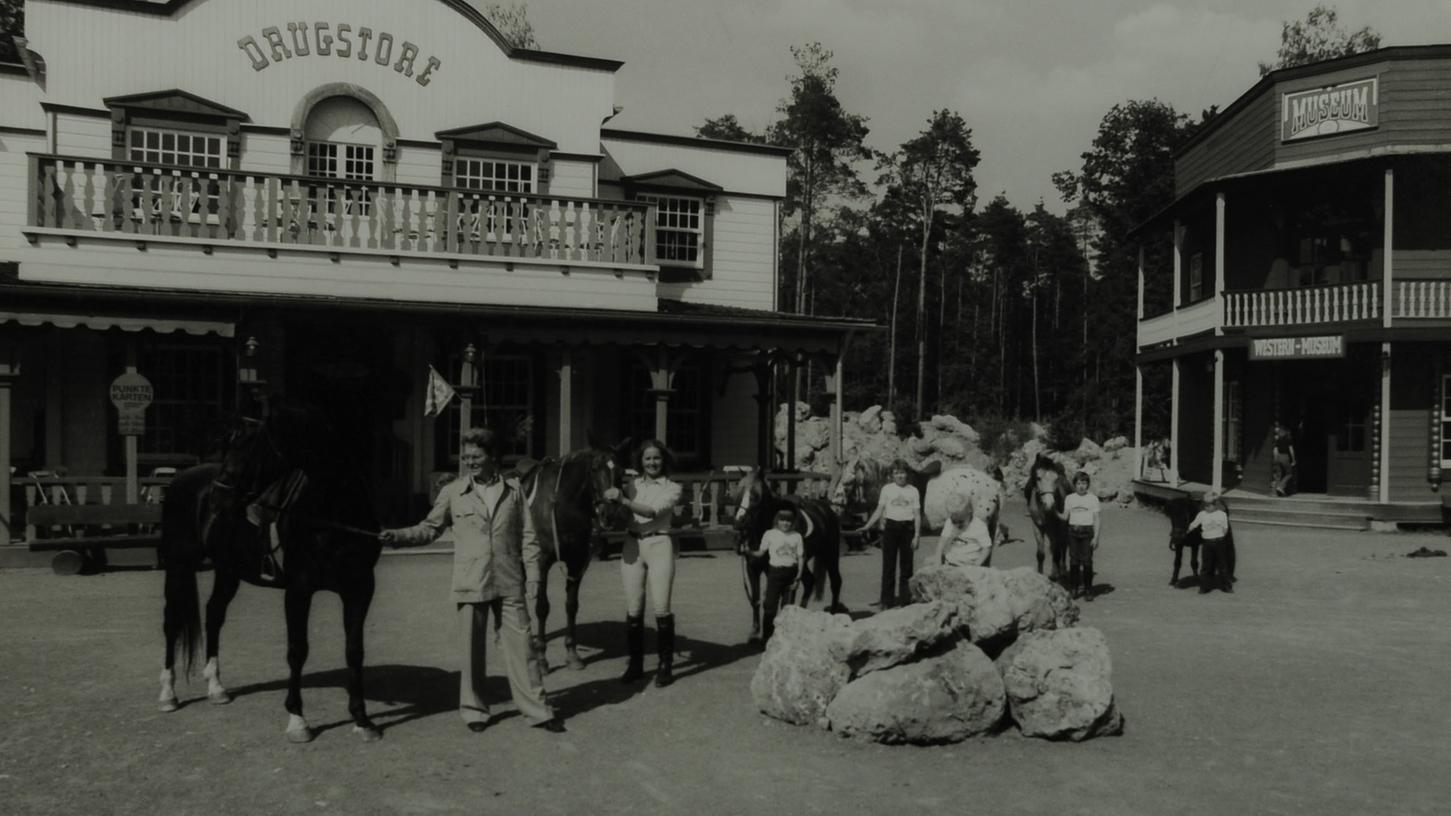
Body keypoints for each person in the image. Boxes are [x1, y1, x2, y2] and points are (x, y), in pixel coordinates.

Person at [379, 427, 564, 734]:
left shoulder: (514, 490)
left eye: (476, 456)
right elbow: (430, 528)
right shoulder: (453, 492)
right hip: (471, 581)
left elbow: (529, 537)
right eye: (465, 457)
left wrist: (533, 578)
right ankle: (475, 710)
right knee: (471, 650)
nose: (469, 462)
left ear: (493, 456)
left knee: (523, 647)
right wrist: (397, 537)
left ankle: (537, 710)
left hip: (509, 579)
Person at [603, 439, 682, 688]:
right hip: (632, 544)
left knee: (661, 607)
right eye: (647, 458)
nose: (652, 462)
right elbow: (623, 513)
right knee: (634, 607)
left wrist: (623, 500)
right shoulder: (632, 484)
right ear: (641, 462)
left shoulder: (673, 488)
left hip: (659, 544)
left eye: (656, 458)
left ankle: (665, 665)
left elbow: (650, 512)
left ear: (664, 460)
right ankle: (635, 664)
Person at [861, 459, 921, 609]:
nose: (900, 476)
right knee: (888, 567)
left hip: (908, 529)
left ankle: (905, 601)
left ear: (907, 474)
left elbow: (917, 515)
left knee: (906, 568)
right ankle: (887, 601)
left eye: (902, 472)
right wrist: (867, 526)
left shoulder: (913, 491)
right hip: (891, 529)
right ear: (892, 475)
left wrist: (917, 535)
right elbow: (879, 511)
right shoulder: (887, 489)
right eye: (896, 473)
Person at [754, 508, 804, 642]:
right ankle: (766, 638)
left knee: (787, 609)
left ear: (792, 522)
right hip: (775, 573)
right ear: (777, 521)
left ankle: (783, 640)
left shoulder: (797, 536)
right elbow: (760, 552)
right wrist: (747, 551)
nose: (785, 523)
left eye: (788, 521)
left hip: (791, 574)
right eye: (782, 520)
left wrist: (798, 576)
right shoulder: (769, 534)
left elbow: (800, 558)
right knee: (770, 607)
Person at [1056, 471, 1101, 600]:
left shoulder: (1093, 498)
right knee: (1074, 562)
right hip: (1073, 532)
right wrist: (1053, 510)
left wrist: (1096, 536)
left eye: (1084, 483)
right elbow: (1065, 516)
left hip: (1087, 532)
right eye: (1079, 483)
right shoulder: (1070, 498)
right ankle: (1074, 589)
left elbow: (1097, 519)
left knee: (1087, 562)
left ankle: (1088, 590)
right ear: (1074, 484)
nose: (1081, 486)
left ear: (1088, 485)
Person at [1187, 489, 1233, 595]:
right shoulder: (1202, 515)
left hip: (1219, 543)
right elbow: (1193, 525)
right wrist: (1186, 531)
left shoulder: (1222, 514)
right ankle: (1205, 587)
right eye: (1205, 505)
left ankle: (1226, 585)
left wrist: (1219, 536)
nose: (1206, 507)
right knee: (1206, 566)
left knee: (1222, 565)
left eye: (1209, 505)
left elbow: (1225, 528)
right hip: (1207, 544)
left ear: (1215, 504)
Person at [936, 493, 993, 569]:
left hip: (968, 564)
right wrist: (937, 559)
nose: (957, 525)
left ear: (969, 513)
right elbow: (942, 541)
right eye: (954, 522)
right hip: (950, 561)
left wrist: (977, 564)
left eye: (961, 522)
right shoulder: (949, 522)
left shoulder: (979, 526)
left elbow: (987, 547)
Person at [1272, 422, 1297, 496]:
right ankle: (1281, 486)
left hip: (1278, 456)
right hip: (1285, 456)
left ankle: (1274, 493)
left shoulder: (1278, 439)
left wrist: (1275, 459)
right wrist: (1293, 460)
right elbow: (1291, 450)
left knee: (1278, 475)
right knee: (1289, 474)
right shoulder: (1288, 439)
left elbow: (1275, 450)